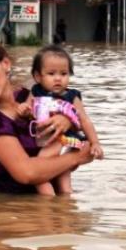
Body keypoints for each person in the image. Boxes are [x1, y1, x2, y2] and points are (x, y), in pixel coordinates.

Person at [0, 33, 94, 194]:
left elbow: (77, 118)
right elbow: (26, 173)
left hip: (51, 205)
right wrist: (77, 157)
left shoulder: (30, 96)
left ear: (6, 64)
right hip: (15, 213)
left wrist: (67, 119)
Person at [18, 45, 103, 194]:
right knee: (64, 181)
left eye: (63, 73)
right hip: (48, 140)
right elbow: (28, 107)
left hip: (63, 140)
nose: (58, 78)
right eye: (51, 73)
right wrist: (24, 109)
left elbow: (84, 120)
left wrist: (95, 142)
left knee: (40, 164)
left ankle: (47, 198)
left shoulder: (72, 96)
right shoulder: (36, 92)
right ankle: (64, 207)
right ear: (38, 76)